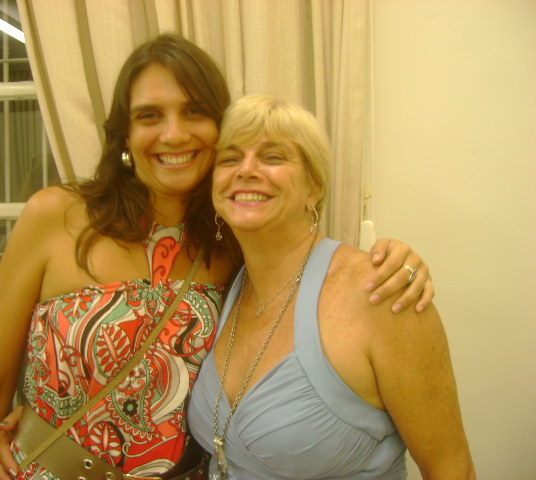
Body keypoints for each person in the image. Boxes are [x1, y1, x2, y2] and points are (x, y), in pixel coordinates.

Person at [0, 34, 433, 480]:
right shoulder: (56, 216)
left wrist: (400, 262)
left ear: (219, 129)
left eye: (194, 111)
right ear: (124, 135)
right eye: (149, 116)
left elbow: (314, 281)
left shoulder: (236, 246)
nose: (174, 134)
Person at [187, 94, 475, 480]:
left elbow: (452, 469)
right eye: (229, 158)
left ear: (314, 187)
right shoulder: (221, 285)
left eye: (273, 156)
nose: (247, 169)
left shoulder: (382, 291)